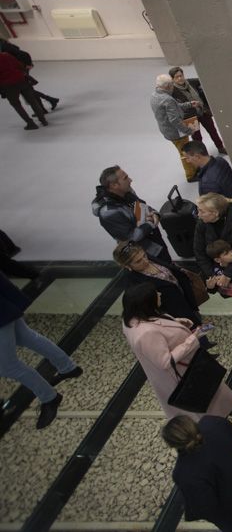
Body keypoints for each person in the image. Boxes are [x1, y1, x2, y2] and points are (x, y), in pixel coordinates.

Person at [121, 282, 232, 419]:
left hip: (188, 367)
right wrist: (192, 339)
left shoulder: (135, 318)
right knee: (208, 400)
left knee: (216, 393)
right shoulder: (145, 333)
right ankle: (222, 420)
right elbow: (165, 361)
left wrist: (177, 323)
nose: (160, 294)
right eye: (156, 294)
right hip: (183, 375)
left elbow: (159, 326)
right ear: (148, 303)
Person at [0, 271, 81, 429]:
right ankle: (68, 367)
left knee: (8, 366)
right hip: (4, 307)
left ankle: (49, 397)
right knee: (29, 338)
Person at [113, 240, 203, 326]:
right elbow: (147, 308)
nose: (145, 261)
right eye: (138, 261)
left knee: (197, 323)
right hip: (173, 312)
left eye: (144, 255)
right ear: (127, 266)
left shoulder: (151, 258)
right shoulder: (134, 283)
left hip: (185, 299)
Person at [92, 165, 171, 261]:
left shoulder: (126, 193)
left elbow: (142, 207)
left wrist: (154, 214)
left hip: (156, 244)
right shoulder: (108, 213)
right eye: (125, 178)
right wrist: (150, 223)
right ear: (114, 185)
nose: (130, 180)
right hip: (144, 256)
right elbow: (132, 237)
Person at [151, 73, 198, 182]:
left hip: (166, 130)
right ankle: (191, 175)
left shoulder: (154, 95)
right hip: (176, 133)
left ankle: (193, 170)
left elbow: (174, 107)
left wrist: (190, 104)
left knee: (183, 151)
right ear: (167, 86)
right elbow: (174, 120)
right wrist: (188, 130)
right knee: (185, 153)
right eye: (172, 84)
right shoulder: (168, 99)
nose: (173, 86)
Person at [168, 67, 227, 155]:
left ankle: (220, 147)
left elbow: (203, 80)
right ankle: (203, 154)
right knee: (197, 137)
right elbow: (176, 106)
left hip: (203, 112)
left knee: (213, 131)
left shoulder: (191, 82)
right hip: (190, 117)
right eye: (176, 77)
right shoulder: (172, 91)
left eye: (181, 75)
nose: (180, 78)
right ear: (172, 79)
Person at [0, 38, 59, 112]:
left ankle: (47, 103)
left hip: (20, 69)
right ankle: (43, 107)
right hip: (19, 69)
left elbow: (23, 53)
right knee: (28, 89)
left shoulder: (4, 46)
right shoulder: (5, 45)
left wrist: (27, 64)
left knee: (27, 90)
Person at [0, 49, 47, 130]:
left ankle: (30, 123)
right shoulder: (6, 55)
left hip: (8, 85)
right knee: (32, 101)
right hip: (21, 80)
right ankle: (43, 120)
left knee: (16, 105)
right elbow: (19, 65)